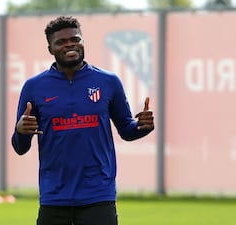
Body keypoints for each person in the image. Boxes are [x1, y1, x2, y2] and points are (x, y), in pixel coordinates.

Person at [11, 16, 154, 225]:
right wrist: (21, 131)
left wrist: (143, 126)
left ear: (83, 42)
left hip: (98, 195)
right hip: (54, 197)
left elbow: (127, 129)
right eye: (61, 41)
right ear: (50, 49)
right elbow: (19, 147)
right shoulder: (34, 87)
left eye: (75, 39)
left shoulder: (108, 81)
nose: (70, 44)